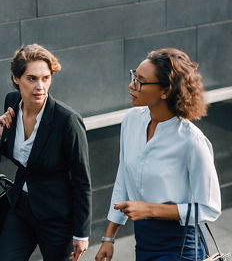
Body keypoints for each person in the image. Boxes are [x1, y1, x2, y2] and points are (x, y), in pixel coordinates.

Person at [95, 48, 221, 261]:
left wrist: (149, 209)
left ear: (165, 91)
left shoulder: (192, 141)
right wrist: (109, 238)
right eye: (134, 75)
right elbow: (123, 180)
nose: (132, 84)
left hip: (180, 246)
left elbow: (209, 208)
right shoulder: (131, 120)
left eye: (141, 81)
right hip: (144, 240)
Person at [0, 44, 92, 261]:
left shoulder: (67, 120)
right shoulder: (11, 102)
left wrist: (81, 232)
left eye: (46, 78)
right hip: (20, 209)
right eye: (32, 78)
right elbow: (20, 158)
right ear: (16, 78)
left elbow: (81, 180)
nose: (40, 86)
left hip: (56, 216)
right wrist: (1, 137)